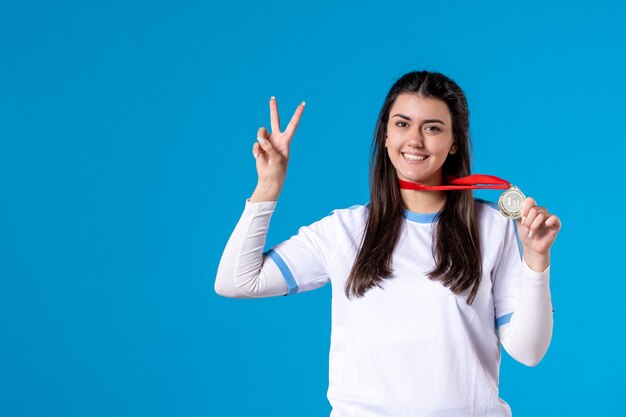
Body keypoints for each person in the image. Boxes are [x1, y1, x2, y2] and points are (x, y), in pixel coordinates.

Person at [215, 70, 561, 417]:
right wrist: (269, 185)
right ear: (384, 134)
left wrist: (536, 259)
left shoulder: (492, 227)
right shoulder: (343, 231)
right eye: (402, 124)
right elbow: (237, 281)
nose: (415, 140)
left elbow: (529, 351)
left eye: (433, 127)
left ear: (454, 141)